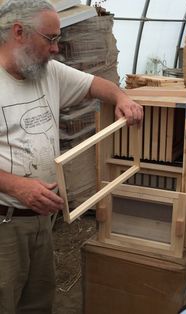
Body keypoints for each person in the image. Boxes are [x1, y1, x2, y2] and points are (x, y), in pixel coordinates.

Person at [0, 0, 143, 313]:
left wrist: (122, 98)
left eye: (58, 40)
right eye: (50, 39)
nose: (56, 49)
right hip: (5, 223)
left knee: (37, 302)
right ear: (19, 32)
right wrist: (14, 185)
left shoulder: (47, 72)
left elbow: (96, 85)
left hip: (42, 219)